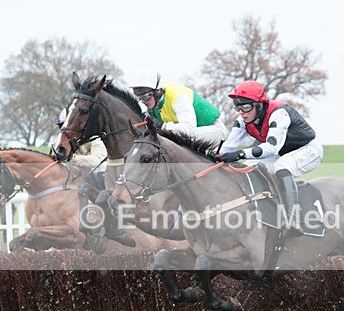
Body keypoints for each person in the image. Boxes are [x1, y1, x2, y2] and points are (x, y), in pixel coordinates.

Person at [216, 80, 324, 235]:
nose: (242, 112)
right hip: (281, 154)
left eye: (246, 106)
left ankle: (293, 219)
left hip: (308, 150)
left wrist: (239, 154)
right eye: (238, 107)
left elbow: (271, 147)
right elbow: (227, 147)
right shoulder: (242, 121)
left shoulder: (279, 114)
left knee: (283, 167)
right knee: (246, 166)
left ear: (260, 105)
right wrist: (215, 157)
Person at [53, 107, 136, 247]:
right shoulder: (61, 141)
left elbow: (97, 159)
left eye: (65, 126)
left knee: (96, 180)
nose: (65, 131)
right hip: (78, 176)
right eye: (62, 127)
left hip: (103, 174)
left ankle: (110, 222)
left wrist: (72, 159)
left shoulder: (94, 139)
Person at [129, 69, 230, 149]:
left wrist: (162, 126)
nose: (143, 101)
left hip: (214, 130)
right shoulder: (150, 103)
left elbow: (188, 129)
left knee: (180, 137)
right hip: (195, 133)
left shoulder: (178, 96)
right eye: (139, 96)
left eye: (146, 96)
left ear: (158, 91)